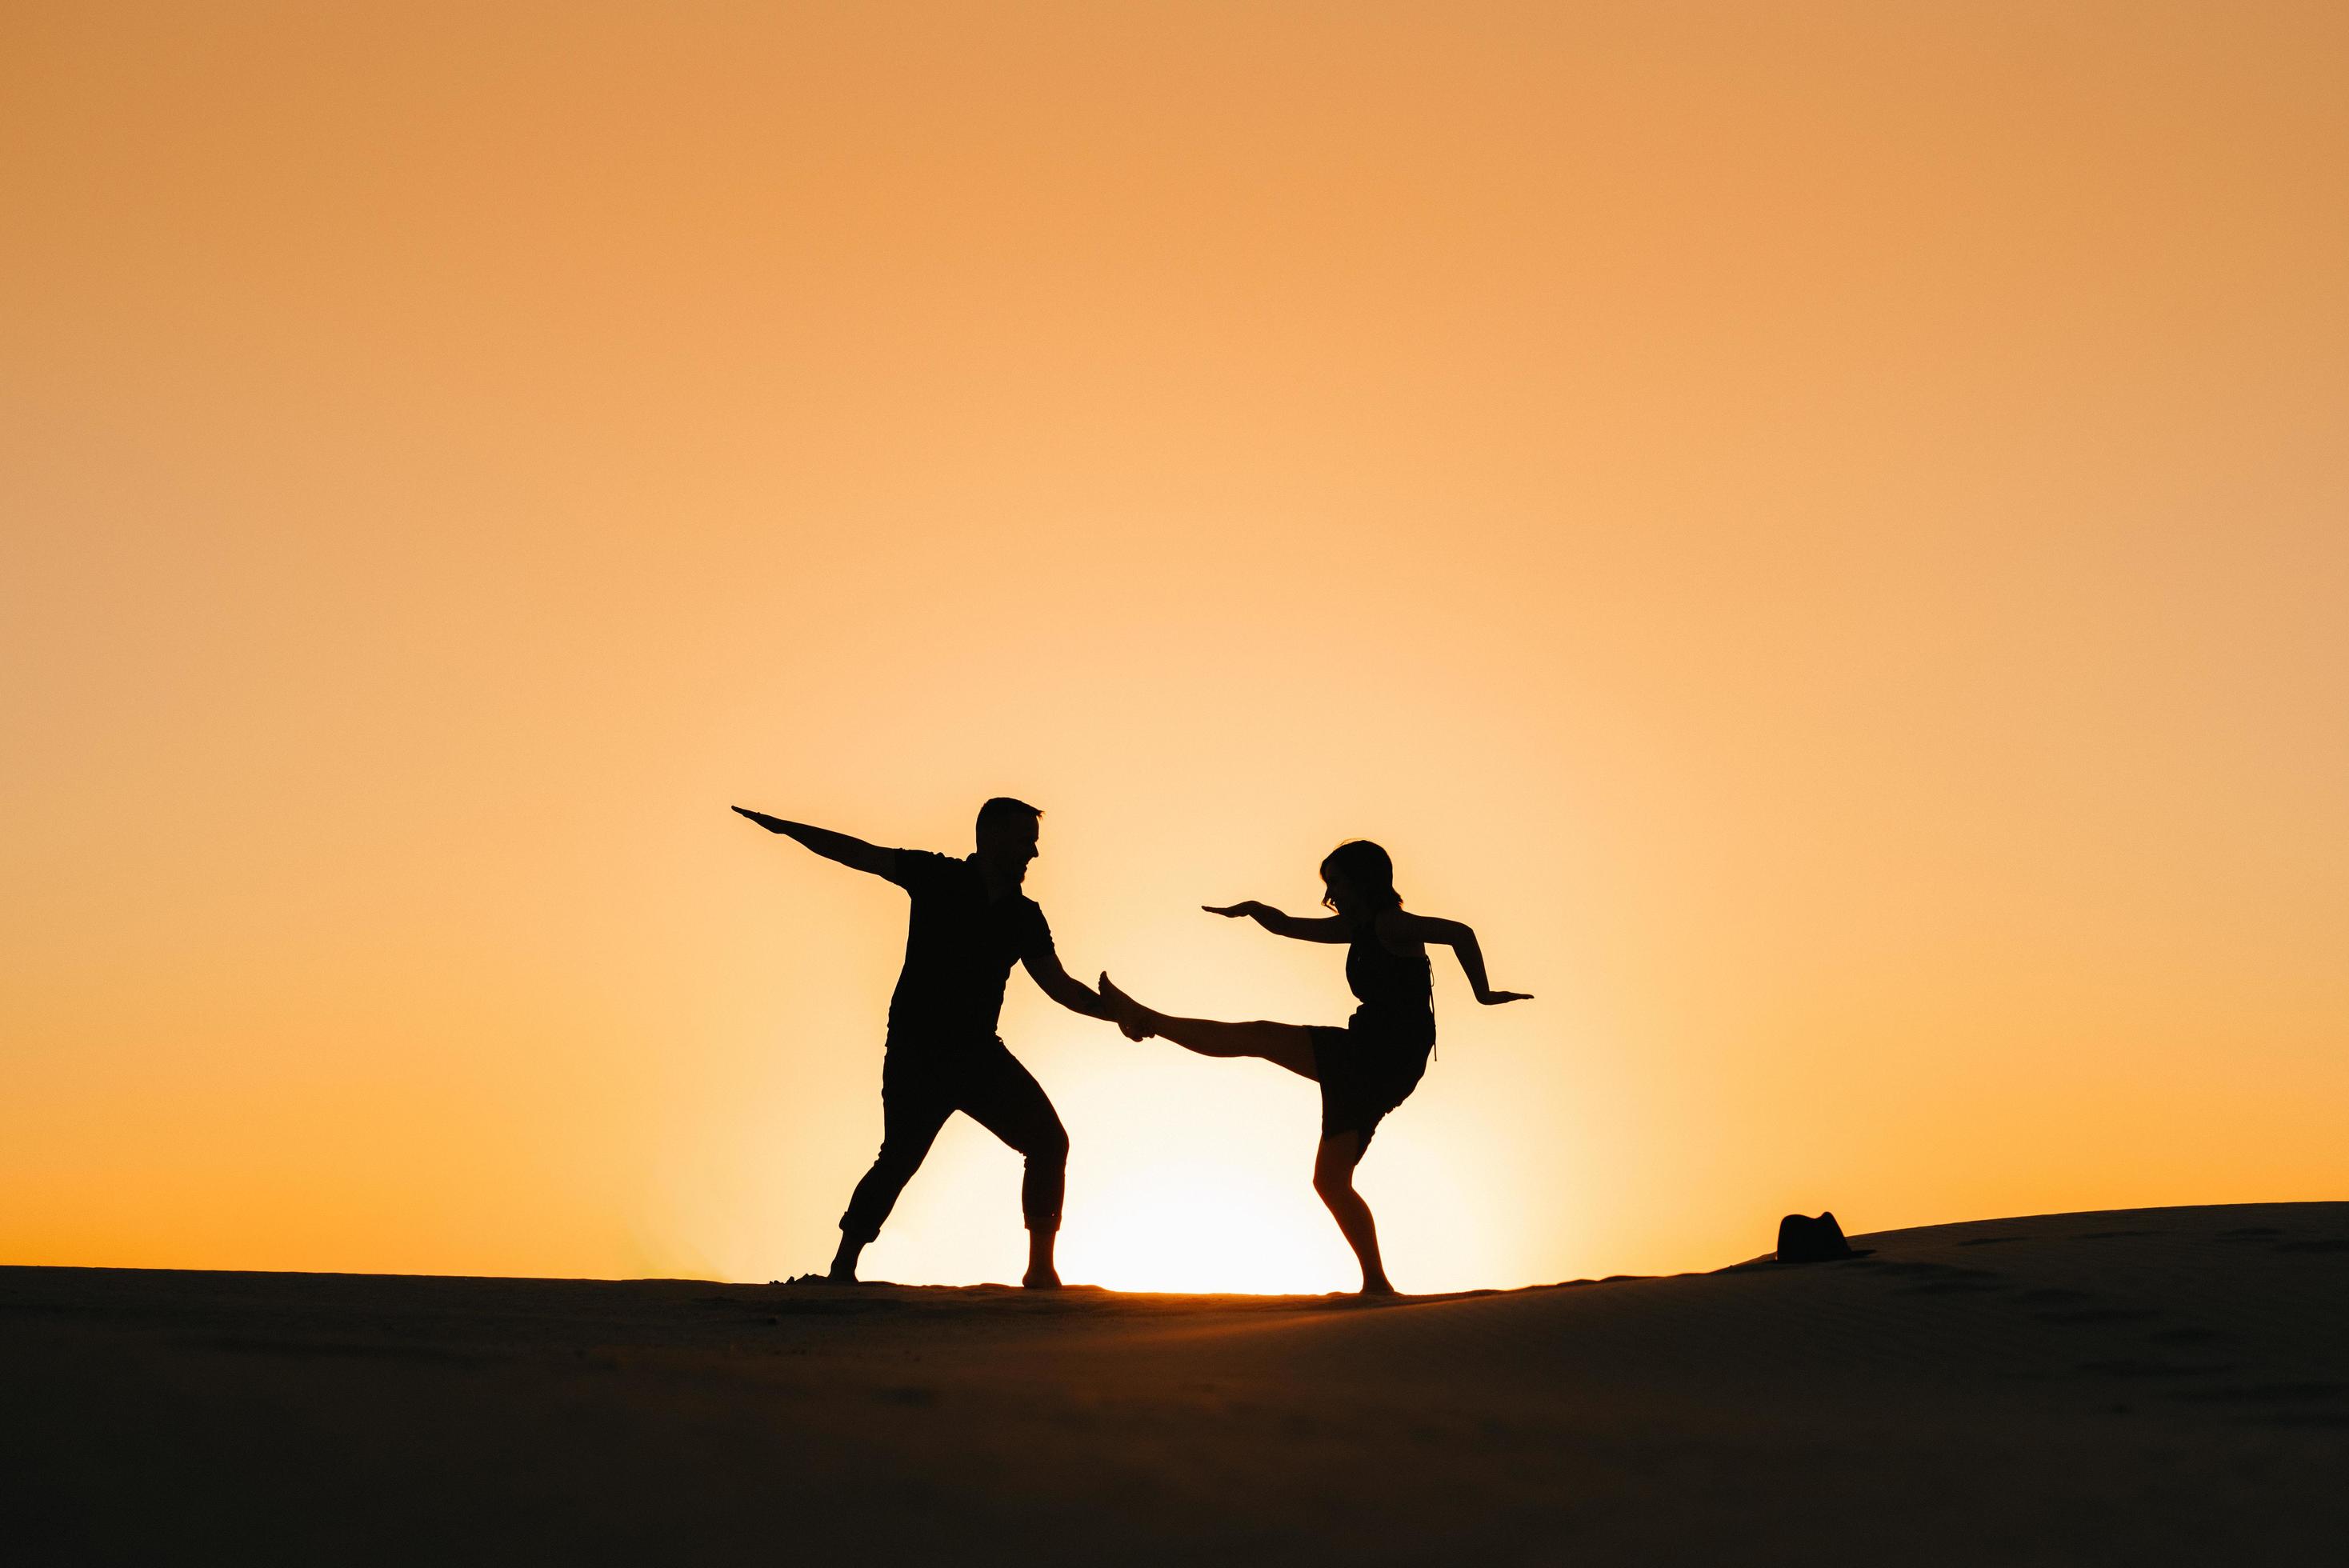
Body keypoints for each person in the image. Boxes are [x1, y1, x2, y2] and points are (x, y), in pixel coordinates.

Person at [1098, 839, 1528, 1296]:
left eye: (1337, 882)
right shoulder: (1358, 928)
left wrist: (1483, 993)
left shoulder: (1392, 924)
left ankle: (1145, 1019)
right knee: (1330, 1180)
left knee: (1258, 1036)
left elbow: (1459, 932)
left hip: (1382, 1054)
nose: (1331, 893)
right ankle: (1378, 1285)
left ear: (1364, 881)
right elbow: (1289, 927)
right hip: (1377, 1058)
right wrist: (1255, 910)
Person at [735, 797, 1114, 1288]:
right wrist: (787, 828)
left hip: (979, 1055)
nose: (1033, 855)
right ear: (992, 837)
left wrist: (1118, 1014)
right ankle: (842, 1269)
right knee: (899, 1158)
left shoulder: (1024, 916)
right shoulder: (937, 877)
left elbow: (1059, 986)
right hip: (919, 1052)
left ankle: (1040, 1270)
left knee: (1048, 1142)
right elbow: (860, 853)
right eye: (1025, 842)